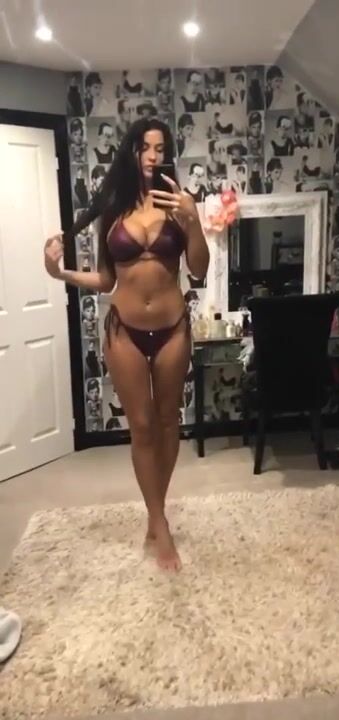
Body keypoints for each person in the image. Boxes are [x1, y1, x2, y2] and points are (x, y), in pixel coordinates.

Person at [44, 118, 209, 571]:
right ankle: (159, 522)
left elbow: (198, 269)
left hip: (173, 328)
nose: (153, 156)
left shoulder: (179, 206)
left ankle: (156, 512)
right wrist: (60, 274)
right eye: (145, 147)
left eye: (161, 148)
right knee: (140, 426)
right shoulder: (113, 209)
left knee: (168, 423)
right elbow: (106, 279)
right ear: (132, 152)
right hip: (125, 332)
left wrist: (193, 221)